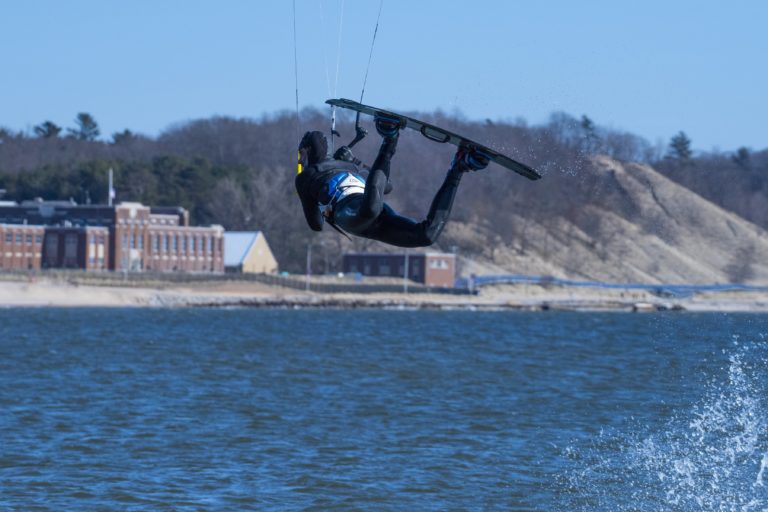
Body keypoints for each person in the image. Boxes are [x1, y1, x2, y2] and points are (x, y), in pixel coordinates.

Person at [295, 115, 489, 247]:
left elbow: (386, 187)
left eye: (300, 153)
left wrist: (354, 162)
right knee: (423, 235)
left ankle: (390, 139)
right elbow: (317, 225)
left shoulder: (310, 175)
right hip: (354, 216)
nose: (299, 159)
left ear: (309, 150)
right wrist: (351, 163)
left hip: (369, 210)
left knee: (420, 232)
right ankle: (460, 166)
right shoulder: (316, 175)